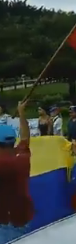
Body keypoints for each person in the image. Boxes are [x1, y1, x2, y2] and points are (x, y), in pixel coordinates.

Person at [0, 101, 34, 244]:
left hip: (5, 223)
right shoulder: (21, 156)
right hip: (24, 218)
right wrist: (21, 113)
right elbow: (25, 138)